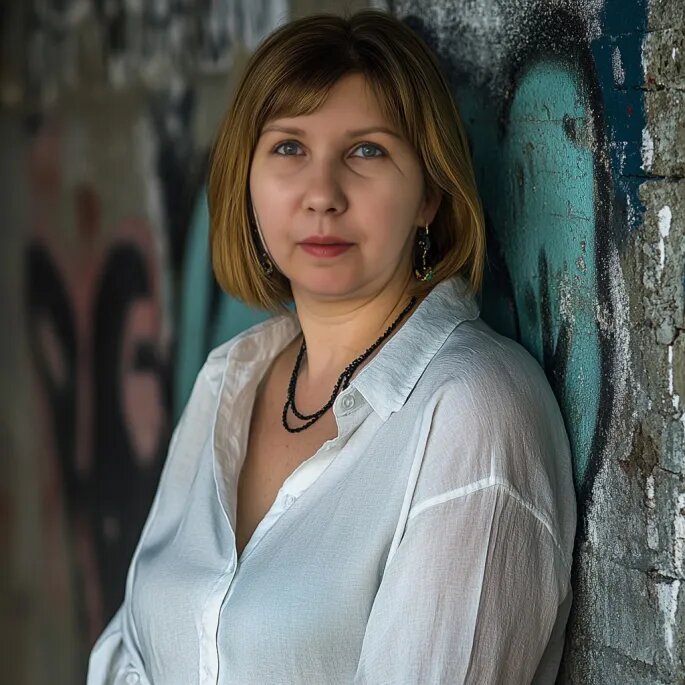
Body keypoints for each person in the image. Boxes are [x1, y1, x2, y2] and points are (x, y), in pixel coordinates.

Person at [87, 9, 576, 685]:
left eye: (366, 151)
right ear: (248, 181)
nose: (322, 194)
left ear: (429, 194)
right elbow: (130, 653)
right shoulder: (231, 380)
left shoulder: (473, 412)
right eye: (289, 148)